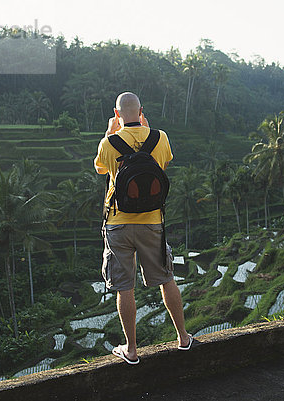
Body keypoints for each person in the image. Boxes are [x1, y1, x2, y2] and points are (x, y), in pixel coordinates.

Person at [94, 92, 194, 365]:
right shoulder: (160, 138)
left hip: (118, 224)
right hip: (152, 223)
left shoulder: (109, 143)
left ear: (117, 115)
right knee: (166, 278)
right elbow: (163, 164)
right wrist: (146, 130)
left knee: (125, 287)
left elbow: (101, 169)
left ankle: (132, 350)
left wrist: (109, 132)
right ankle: (183, 338)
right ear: (141, 111)